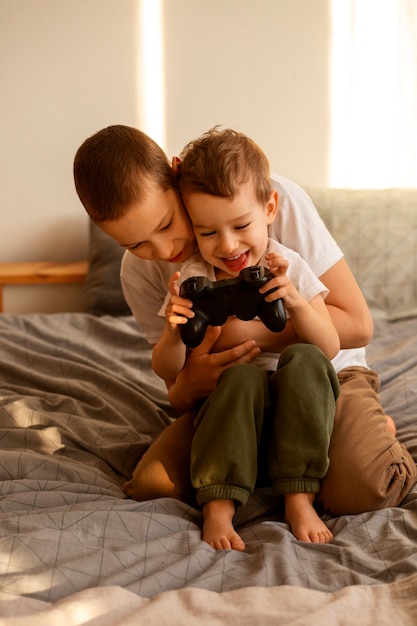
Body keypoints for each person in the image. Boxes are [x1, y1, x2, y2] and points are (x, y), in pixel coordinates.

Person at [73, 125, 416, 536]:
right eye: (135, 245)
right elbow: (176, 390)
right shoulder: (150, 274)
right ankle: (272, 454)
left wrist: (246, 332)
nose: (163, 252)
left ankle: (359, 432)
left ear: (176, 176)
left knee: (363, 488)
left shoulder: (269, 205)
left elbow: (358, 327)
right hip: (233, 390)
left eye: (165, 224)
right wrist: (192, 377)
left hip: (323, 375)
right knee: (153, 486)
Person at [151, 128, 341, 548]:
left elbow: (328, 347)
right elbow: (166, 368)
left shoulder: (288, 266)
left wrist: (296, 301)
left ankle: (298, 496)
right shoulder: (194, 279)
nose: (228, 245)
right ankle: (218, 508)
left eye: (241, 225)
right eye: (207, 233)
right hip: (234, 405)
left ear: (270, 207)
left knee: (307, 362)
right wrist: (172, 333)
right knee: (240, 379)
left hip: (295, 402)